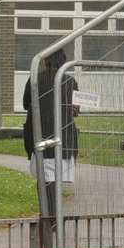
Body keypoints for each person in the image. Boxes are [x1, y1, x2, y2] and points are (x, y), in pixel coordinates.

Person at [22, 49, 79, 187]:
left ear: (45, 61)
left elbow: (25, 104)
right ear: (63, 61)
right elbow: (75, 110)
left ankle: (48, 207)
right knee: (56, 183)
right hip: (64, 139)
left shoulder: (35, 79)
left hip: (40, 135)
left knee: (44, 182)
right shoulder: (70, 81)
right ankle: (54, 207)